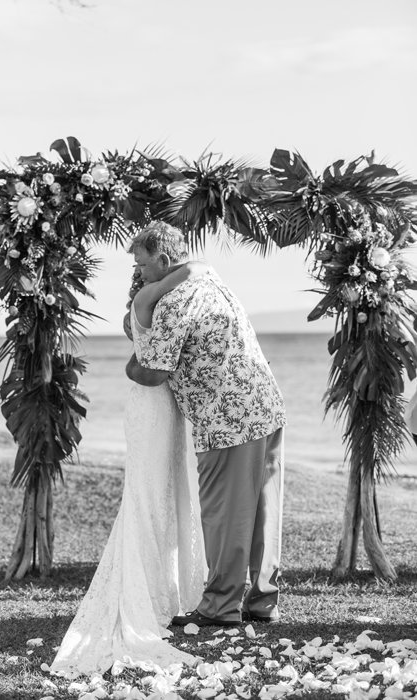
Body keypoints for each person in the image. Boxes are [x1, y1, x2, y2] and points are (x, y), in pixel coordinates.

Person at [49, 256, 208, 678]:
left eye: (141, 261)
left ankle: (164, 584)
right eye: (138, 263)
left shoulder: (160, 301)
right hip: (151, 406)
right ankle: (144, 587)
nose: (138, 269)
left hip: (167, 406)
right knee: (146, 492)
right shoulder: (148, 297)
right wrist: (187, 264)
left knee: (166, 491)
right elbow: (191, 271)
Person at [126, 220, 287, 627]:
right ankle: (263, 601)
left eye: (142, 265)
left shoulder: (177, 298)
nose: (138, 272)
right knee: (264, 512)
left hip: (227, 417)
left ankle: (219, 605)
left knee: (225, 514)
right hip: (265, 405)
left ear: (163, 260)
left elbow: (154, 371)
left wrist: (130, 364)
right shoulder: (210, 280)